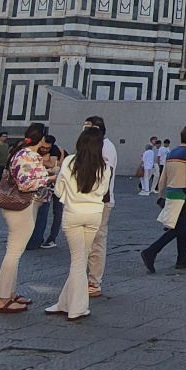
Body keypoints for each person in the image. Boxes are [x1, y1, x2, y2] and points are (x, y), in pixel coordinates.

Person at [47, 126, 114, 320]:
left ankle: (76, 308)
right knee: (81, 259)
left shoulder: (69, 161)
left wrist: (69, 197)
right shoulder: (105, 167)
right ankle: (65, 303)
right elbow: (103, 192)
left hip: (73, 214)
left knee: (77, 261)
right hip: (94, 215)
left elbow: (59, 190)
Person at [0, 122, 50, 313]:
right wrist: (49, 179)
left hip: (25, 206)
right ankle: (2, 299)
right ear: (41, 138)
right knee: (13, 253)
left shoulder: (24, 153)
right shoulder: (26, 156)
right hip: (21, 206)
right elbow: (25, 184)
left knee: (15, 251)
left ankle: (10, 293)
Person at [140, 128, 186, 271]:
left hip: (171, 193)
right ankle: (151, 252)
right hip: (182, 194)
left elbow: (163, 176)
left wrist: (160, 195)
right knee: (179, 228)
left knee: (181, 226)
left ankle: (182, 257)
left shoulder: (172, 153)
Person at [83, 115, 117, 297]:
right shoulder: (94, 145)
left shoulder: (106, 147)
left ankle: (94, 282)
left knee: (97, 241)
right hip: (90, 200)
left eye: (87, 127)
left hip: (100, 201)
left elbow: (106, 174)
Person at [24, 135, 64, 250]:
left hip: (57, 183)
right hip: (44, 184)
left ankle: (51, 238)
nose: (45, 149)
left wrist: (40, 160)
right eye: (43, 147)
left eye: (47, 148)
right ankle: (37, 239)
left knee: (57, 211)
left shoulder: (55, 150)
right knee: (40, 212)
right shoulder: (36, 150)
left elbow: (52, 165)